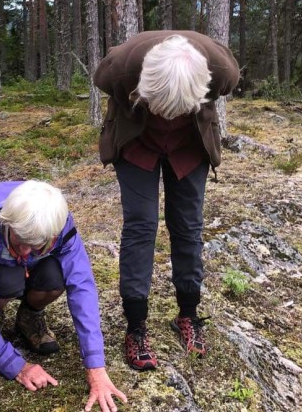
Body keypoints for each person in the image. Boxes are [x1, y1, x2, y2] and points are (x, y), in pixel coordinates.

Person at [93, 31, 240, 370]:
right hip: (138, 140)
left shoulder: (221, 70)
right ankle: (136, 325)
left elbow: (227, 86)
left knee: (188, 225)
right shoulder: (121, 66)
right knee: (141, 226)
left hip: (189, 145)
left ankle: (188, 314)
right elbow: (102, 80)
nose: (170, 115)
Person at [0, 180, 127, 412]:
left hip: (33, 265)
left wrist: (95, 365)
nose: (23, 251)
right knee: (4, 284)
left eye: (34, 245)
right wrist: (15, 366)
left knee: (57, 276)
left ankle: (29, 317)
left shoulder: (59, 224)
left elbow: (81, 285)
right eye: (18, 241)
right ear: (8, 223)